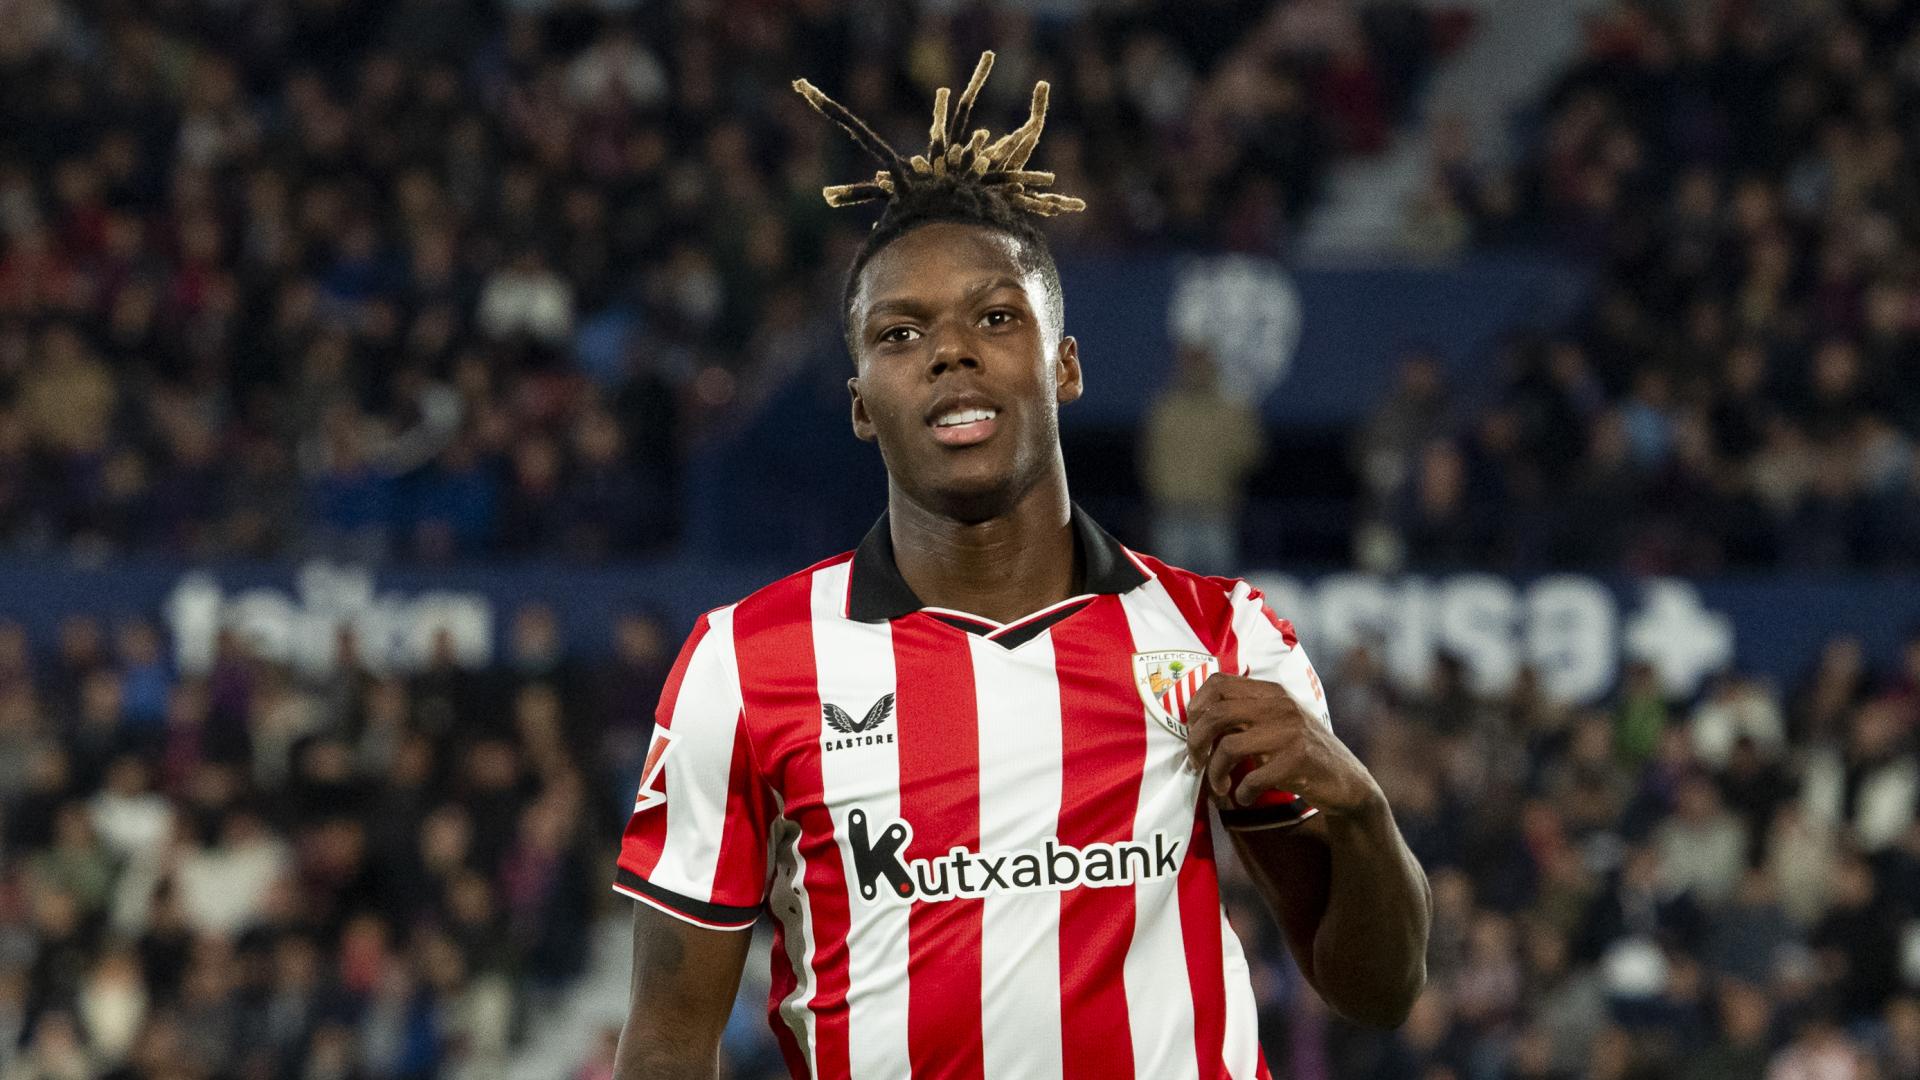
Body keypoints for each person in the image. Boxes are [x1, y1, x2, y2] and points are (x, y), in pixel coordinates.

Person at [609, 53, 1430, 1080]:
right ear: (861, 401)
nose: (952, 351)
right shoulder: (746, 665)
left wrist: (1357, 808)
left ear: (1066, 364)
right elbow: (668, 1042)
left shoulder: (1220, 635)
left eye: (996, 317)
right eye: (901, 333)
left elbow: (1378, 987)